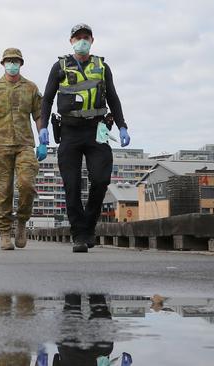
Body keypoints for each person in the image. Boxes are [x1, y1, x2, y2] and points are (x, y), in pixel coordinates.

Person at [41, 23, 131, 253]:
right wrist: (42, 129)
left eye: (86, 37)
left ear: (92, 40)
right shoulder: (59, 66)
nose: (82, 40)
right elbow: (47, 99)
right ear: (71, 41)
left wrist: (122, 126)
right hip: (69, 131)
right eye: (78, 37)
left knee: (100, 180)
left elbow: (113, 97)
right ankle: (79, 235)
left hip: (96, 130)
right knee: (72, 185)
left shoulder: (102, 66)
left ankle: (89, 226)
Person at [0, 48, 45, 251]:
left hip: (25, 144)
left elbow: (38, 115)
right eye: (9, 60)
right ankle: (5, 232)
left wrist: (43, 138)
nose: (12, 63)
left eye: (15, 60)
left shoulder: (31, 88)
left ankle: (22, 221)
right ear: (3, 64)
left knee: (26, 184)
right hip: (0, 145)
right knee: (2, 192)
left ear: (21, 63)